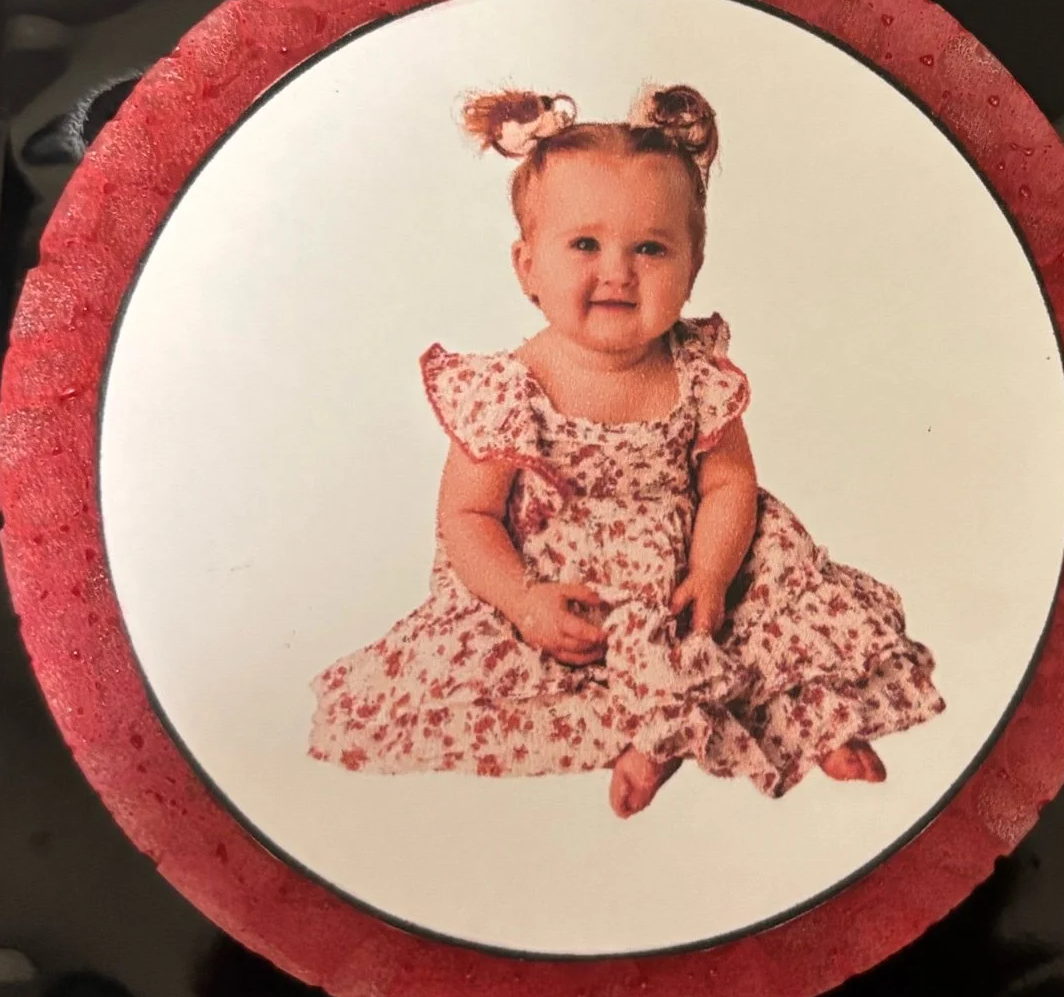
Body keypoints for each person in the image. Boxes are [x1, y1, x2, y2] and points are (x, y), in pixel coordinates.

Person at [309, 84, 943, 817]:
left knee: (769, 607)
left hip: (689, 566)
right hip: (564, 580)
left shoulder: (697, 372)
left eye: (650, 248)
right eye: (584, 245)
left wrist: (712, 570)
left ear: (692, 267)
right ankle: (658, 733)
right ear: (527, 267)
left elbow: (730, 484)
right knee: (513, 668)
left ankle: (816, 720)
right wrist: (522, 600)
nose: (617, 270)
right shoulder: (508, 388)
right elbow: (466, 517)